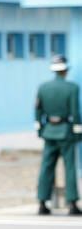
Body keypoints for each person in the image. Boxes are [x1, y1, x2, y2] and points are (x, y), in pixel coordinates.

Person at [35, 54, 82, 215]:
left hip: (49, 131)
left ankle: (42, 202)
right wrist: (78, 132)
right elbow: (76, 112)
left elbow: (37, 110)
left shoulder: (43, 87)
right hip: (66, 132)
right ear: (66, 70)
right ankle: (72, 203)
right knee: (69, 168)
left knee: (46, 167)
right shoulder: (72, 88)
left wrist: (40, 130)